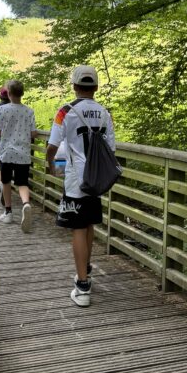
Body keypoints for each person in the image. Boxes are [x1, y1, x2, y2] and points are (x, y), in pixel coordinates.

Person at [45, 65, 115, 307]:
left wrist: (49, 163)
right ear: (95, 87)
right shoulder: (105, 113)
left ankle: (82, 286)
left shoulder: (65, 112)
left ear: (74, 86)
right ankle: (86, 269)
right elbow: (111, 149)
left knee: (77, 226)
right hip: (97, 176)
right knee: (89, 223)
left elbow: (53, 145)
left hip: (75, 177)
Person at [0, 79, 37, 232]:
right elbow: (33, 134)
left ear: (8, 94)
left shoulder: (2, 109)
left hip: (7, 152)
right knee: (22, 183)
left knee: (6, 181)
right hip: (23, 153)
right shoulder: (29, 111)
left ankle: (8, 212)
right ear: (22, 93)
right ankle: (26, 204)